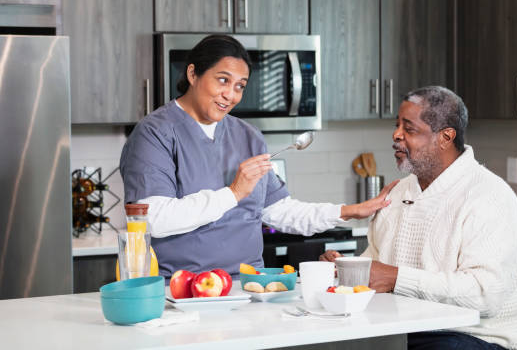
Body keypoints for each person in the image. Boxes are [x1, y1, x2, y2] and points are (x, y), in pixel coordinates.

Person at [119, 34, 396, 280]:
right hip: (181, 291)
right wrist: (233, 192)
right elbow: (153, 218)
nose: (230, 95)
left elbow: (279, 211)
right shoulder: (154, 134)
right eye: (222, 80)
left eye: (240, 86)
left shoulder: (248, 136)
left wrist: (348, 211)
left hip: (249, 287)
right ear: (193, 74)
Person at [320, 86, 517, 349]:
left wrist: (395, 278)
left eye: (409, 129)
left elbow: (485, 294)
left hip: (477, 338)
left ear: (445, 137)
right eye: (397, 125)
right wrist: (347, 269)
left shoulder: (490, 196)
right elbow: (377, 269)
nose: (396, 135)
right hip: (404, 333)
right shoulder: (397, 193)